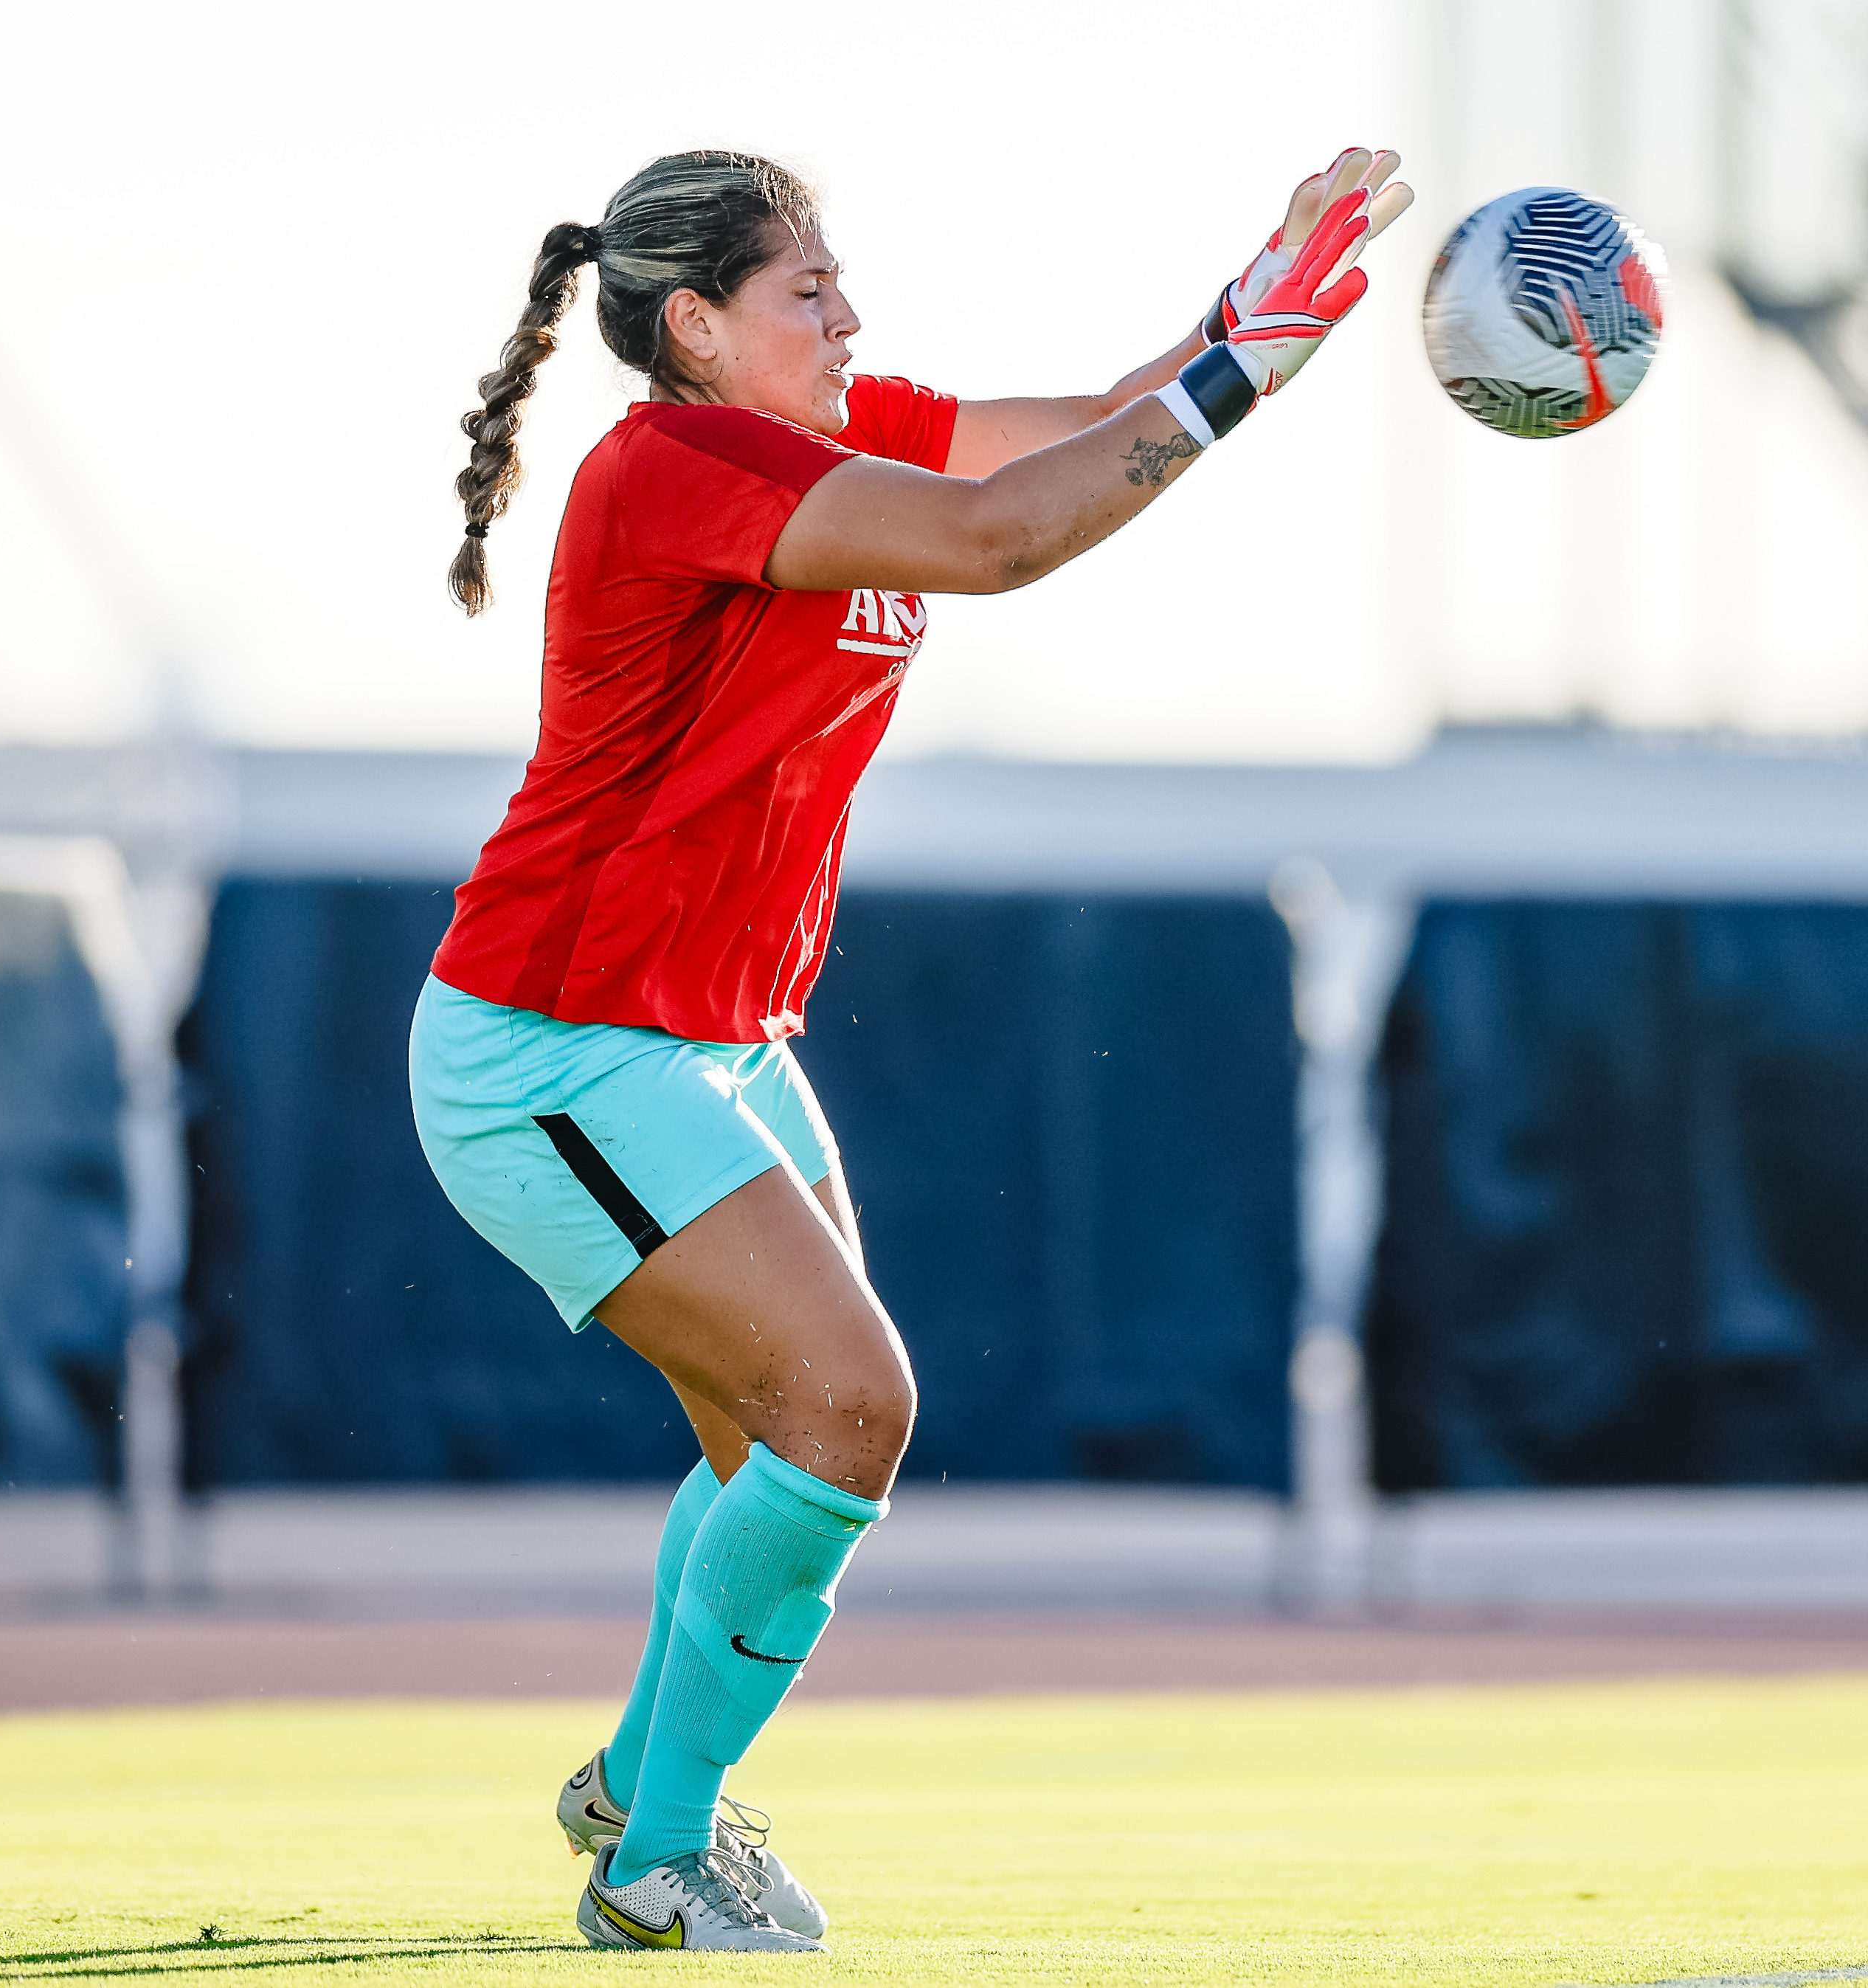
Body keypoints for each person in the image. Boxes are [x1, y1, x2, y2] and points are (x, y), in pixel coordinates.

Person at [410, 145, 1412, 1954]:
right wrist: (1236, 376)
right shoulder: (672, 466)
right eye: (806, 291)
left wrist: (1242, 310)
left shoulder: (827, 433)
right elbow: (998, 539)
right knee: (846, 1409)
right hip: (556, 1048)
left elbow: (1079, 434)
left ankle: (636, 1783)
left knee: (774, 1438)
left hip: (706, 1041)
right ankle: (655, 1865)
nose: (847, 317)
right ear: (694, 326)